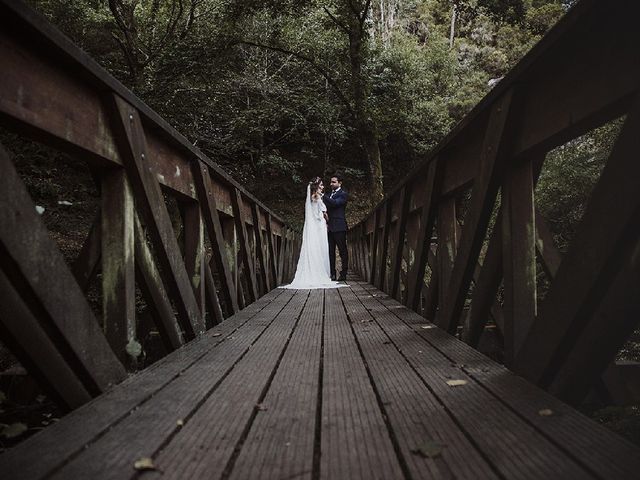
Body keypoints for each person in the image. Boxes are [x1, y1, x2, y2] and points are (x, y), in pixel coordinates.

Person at [281, 177, 345, 289]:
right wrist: (324, 217)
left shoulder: (319, 196)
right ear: (316, 186)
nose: (323, 186)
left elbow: (333, 204)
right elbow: (317, 213)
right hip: (319, 226)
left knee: (319, 248)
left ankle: (333, 272)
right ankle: (323, 272)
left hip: (324, 226)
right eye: (321, 185)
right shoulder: (316, 197)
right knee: (321, 249)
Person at [323, 173, 349, 281]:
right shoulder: (328, 195)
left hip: (339, 226)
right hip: (329, 228)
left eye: (334, 182)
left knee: (342, 251)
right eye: (331, 182)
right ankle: (332, 274)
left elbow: (335, 203)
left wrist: (322, 196)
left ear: (340, 183)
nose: (331, 184)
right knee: (330, 251)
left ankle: (343, 273)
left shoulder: (343, 194)